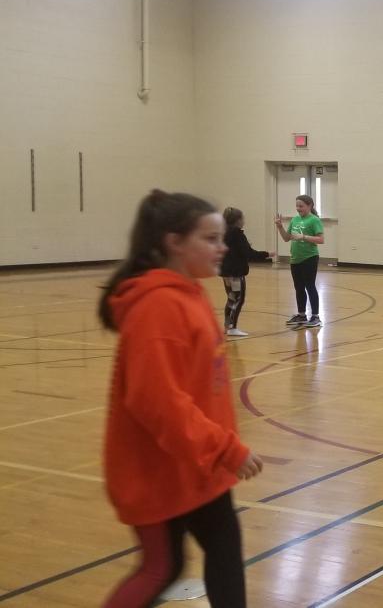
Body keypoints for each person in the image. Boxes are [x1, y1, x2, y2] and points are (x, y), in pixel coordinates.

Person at [98, 190, 263, 608]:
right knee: (161, 569)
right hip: (160, 468)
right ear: (174, 242)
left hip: (197, 465)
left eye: (221, 238)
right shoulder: (157, 307)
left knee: (224, 553)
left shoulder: (189, 293)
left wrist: (219, 450)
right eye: (210, 239)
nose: (222, 247)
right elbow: (158, 404)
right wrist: (225, 448)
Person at [219, 208, 273, 338]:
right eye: (242, 218)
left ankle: (227, 326)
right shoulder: (237, 234)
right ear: (238, 220)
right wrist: (266, 254)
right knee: (238, 299)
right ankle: (232, 327)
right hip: (235, 273)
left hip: (226, 272)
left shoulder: (223, 233)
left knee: (231, 298)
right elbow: (249, 254)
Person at [273, 194, 324, 328]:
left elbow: (321, 240)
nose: (298, 208)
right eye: (297, 206)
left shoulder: (314, 220)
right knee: (299, 287)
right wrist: (279, 226)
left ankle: (315, 317)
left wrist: (304, 237)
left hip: (309, 258)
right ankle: (302, 315)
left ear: (310, 206)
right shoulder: (295, 219)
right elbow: (286, 238)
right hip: (295, 259)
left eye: (301, 206)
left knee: (310, 286)